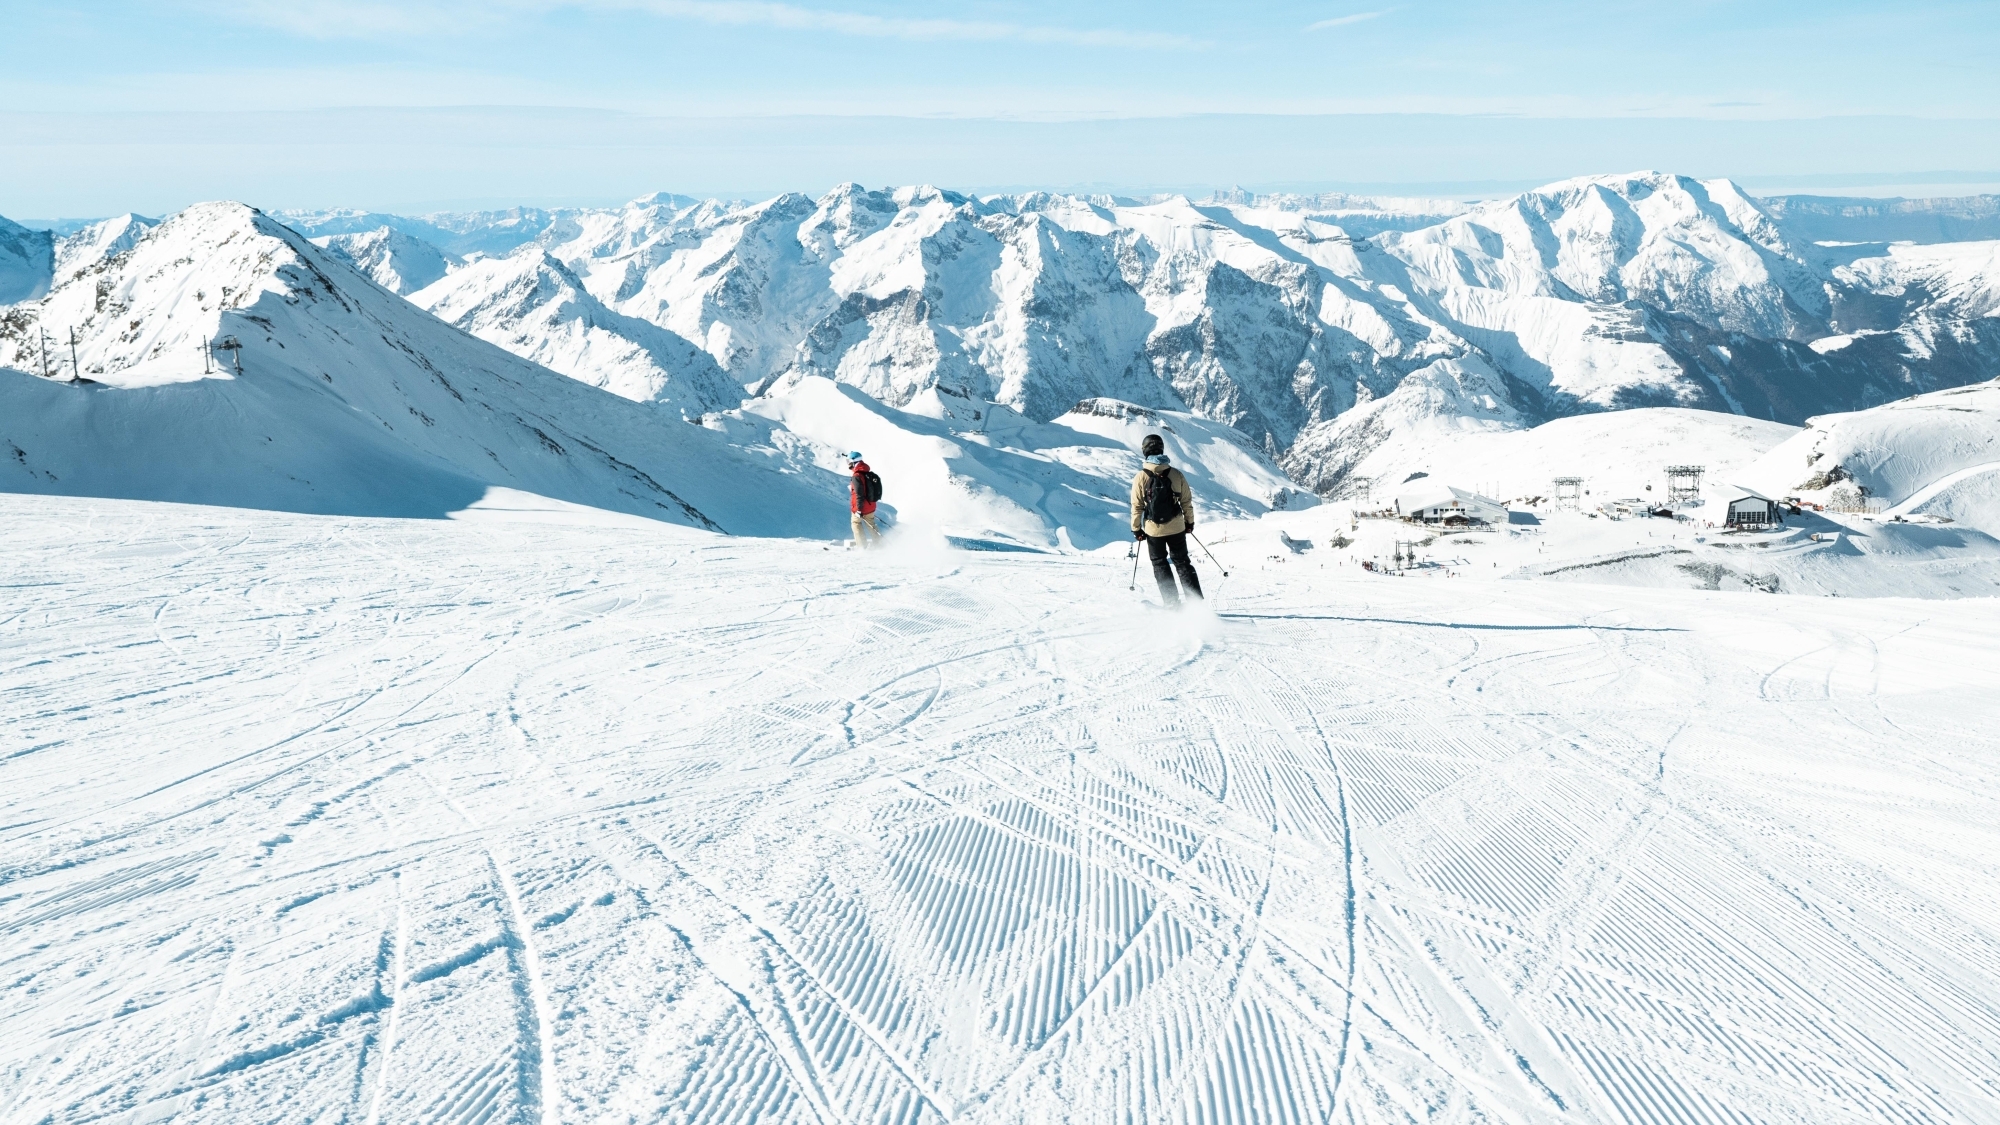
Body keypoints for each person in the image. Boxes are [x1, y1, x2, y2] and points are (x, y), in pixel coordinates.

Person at [1130, 433, 1202, 605]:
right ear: (1161, 449)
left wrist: (1136, 529)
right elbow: (1186, 502)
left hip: (1153, 530)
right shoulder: (1176, 474)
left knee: (1160, 564)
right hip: (1176, 527)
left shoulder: (1140, 477)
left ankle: (1172, 604)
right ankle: (1196, 604)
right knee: (1183, 562)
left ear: (1145, 451)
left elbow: (1136, 506)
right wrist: (1189, 523)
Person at [848, 451, 883, 548]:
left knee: (855, 523)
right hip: (871, 505)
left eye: (849, 461)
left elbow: (859, 494)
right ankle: (879, 544)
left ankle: (861, 546)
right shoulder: (866, 472)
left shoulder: (857, 476)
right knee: (871, 524)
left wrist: (858, 509)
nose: (848, 464)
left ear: (853, 461)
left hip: (861, 507)